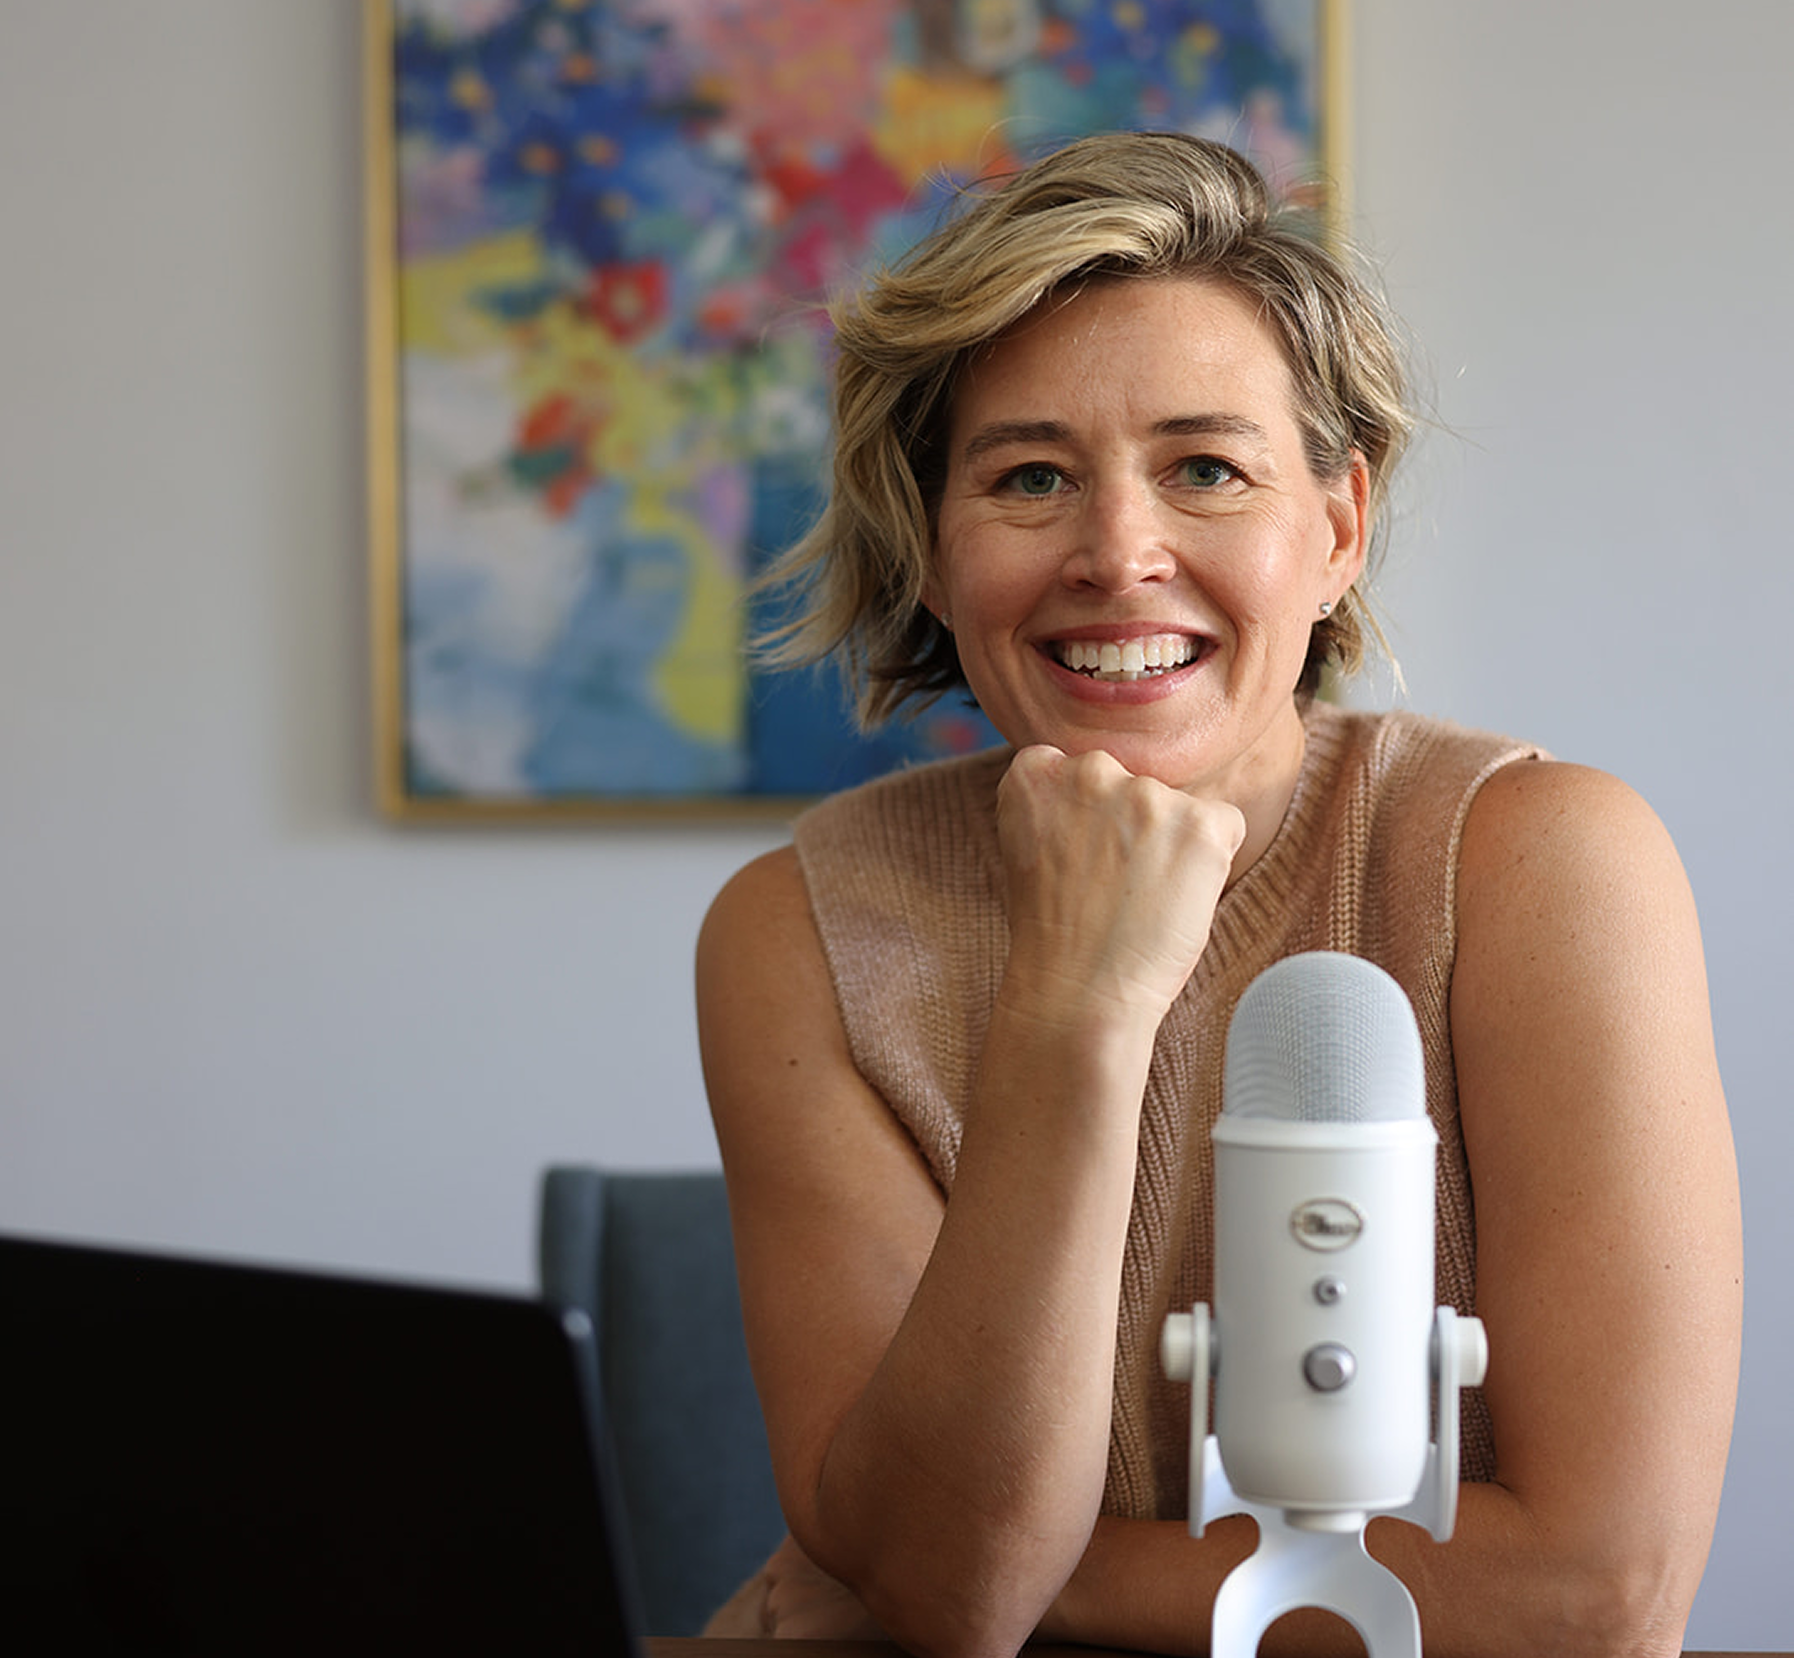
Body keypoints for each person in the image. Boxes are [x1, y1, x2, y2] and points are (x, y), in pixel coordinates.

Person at [695, 132, 1740, 1658]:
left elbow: (1595, 1598)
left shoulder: (1539, 865)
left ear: (1334, 528)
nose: (1118, 554)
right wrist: (1077, 1005)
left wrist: (1028, 1575)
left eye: (1204, 468)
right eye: (1029, 476)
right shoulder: (800, 929)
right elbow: (951, 1591)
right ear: (929, 546)